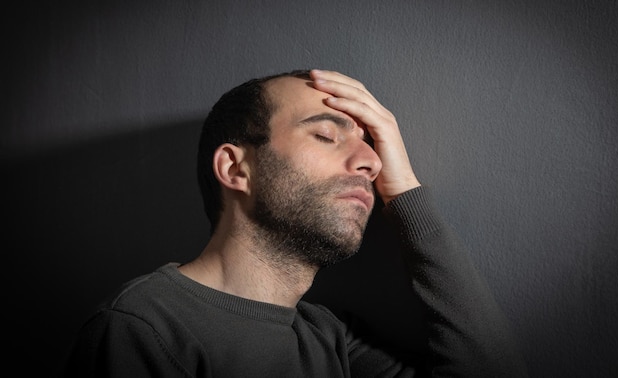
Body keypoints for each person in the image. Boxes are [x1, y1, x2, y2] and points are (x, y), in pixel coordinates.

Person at [63, 69, 528, 377]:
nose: (371, 162)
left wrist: (403, 187)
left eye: (374, 149)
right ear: (235, 169)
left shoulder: (328, 337)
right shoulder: (143, 328)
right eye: (326, 134)